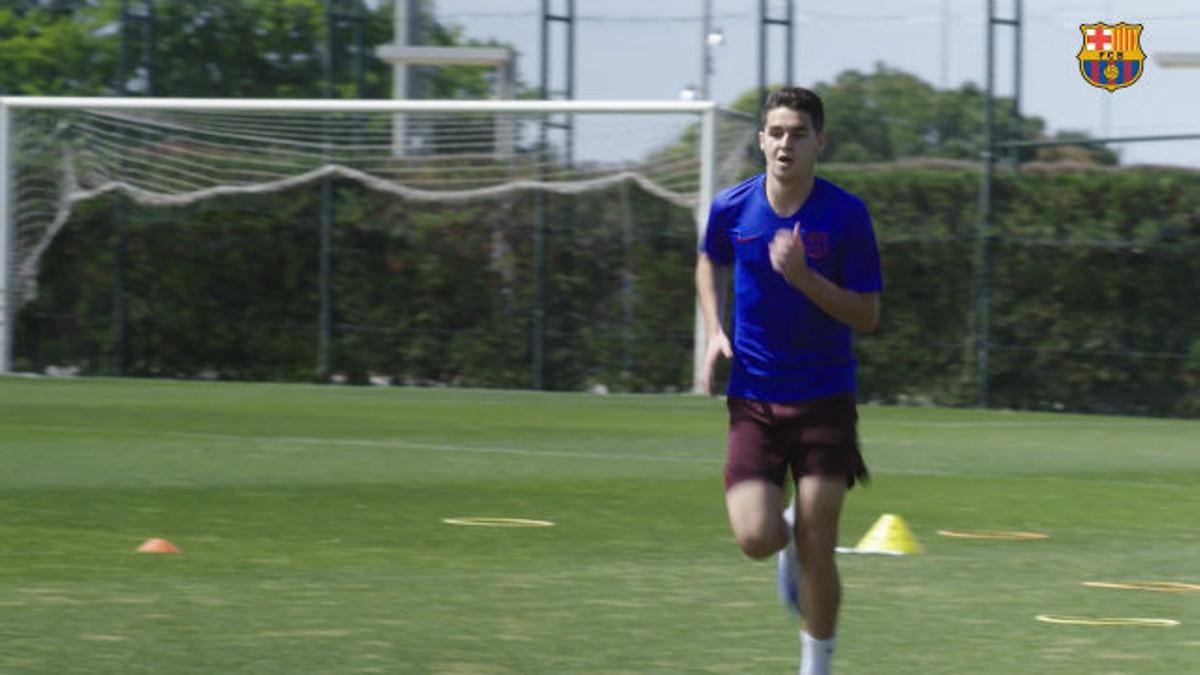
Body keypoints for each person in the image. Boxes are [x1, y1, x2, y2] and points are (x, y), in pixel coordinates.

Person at [695, 86, 882, 675]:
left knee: (819, 538)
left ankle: (816, 666)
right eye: (776, 133)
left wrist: (803, 278)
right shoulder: (731, 207)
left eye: (798, 134)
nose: (785, 144)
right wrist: (713, 330)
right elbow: (709, 259)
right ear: (760, 141)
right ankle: (788, 548)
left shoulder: (845, 214)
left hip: (825, 398)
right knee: (755, 537)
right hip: (753, 398)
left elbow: (867, 315)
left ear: (819, 142)